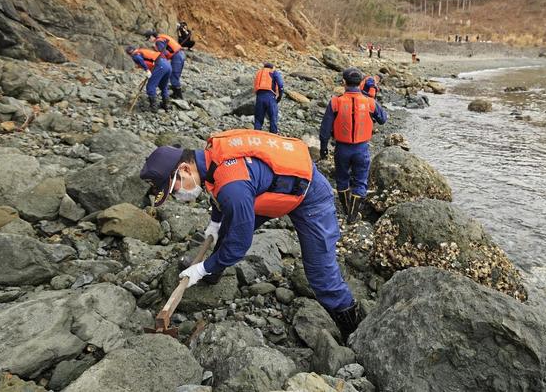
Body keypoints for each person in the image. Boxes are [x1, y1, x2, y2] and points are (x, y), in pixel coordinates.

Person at [139, 129, 364, 339]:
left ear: (186, 169)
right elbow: (215, 188)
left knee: (320, 273)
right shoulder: (208, 159)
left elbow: (239, 244)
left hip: (309, 196)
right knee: (228, 227)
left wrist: (201, 267)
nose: (178, 196)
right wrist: (215, 224)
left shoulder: (233, 187)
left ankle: (352, 327)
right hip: (270, 189)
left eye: (174, 190)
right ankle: (213, 273)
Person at [319, 67, 387, 224]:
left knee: (342, 179)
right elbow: (383, 119)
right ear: (360, 83)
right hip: (361, 148)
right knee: (360, 181)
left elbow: (324, 130)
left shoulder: (335, 102)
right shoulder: (370, 102)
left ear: (344, 82)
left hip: (342, 149)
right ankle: (352, 216)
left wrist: (323, 149)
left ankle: (345, 208)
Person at [125, 45, 171, 113]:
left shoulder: (135, 55)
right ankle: (166, 105)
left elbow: (140, 60)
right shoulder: (142, 51)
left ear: (129, 54)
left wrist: (147, 70)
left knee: (150, 86)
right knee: (163, 86)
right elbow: (151, 61)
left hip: (160, 65)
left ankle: (154, 107)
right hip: (167, 65)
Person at [145, 29, 186, 99]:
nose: (149, 40)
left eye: (148, 38)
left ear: (152, 36)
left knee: (174, 75)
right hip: (181, 54)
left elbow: (164, 54)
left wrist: (156, 51)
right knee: (176, 74)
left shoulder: (158, 41)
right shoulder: (162, 36)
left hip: (177, 56)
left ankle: (179, 96)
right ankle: (176, 93)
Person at [253, 62, 284, 134]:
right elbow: (280, 85)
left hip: (259, 97)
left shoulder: (259, 73)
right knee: (273, 117)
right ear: (272, 67)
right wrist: (279, 97)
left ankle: (256, 134)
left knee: (258, 118)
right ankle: (273, 134)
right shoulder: (273, 72)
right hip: (270, 96)